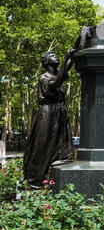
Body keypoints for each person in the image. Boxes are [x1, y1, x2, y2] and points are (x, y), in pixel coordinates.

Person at [23, 50, 75, 188]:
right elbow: (56, 83)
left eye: (56, 55)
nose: (55, 57)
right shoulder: (44, 77)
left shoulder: (57, 74)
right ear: (46, 62)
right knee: (42, 146)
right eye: (52, 56)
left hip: (60, 113)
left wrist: (79, 45)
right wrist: (65, 59)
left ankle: (51, 179)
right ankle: (34, 180)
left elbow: (70, 61)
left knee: (63, 148)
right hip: (48, 113)